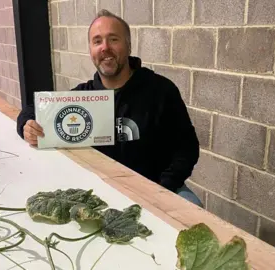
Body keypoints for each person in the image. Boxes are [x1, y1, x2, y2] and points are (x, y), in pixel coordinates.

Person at [16, 9, 203, 207]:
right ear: (91, 50)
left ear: (128, 45)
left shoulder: (161, 91)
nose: (105, 47)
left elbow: (187, 147)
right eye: (97, 41)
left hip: (157, 187)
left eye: (113, 39)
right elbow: (33, 109)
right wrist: (26, 125)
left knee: (194, 207)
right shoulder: (83, 97)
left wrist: (162, 187)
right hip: (100, 193)